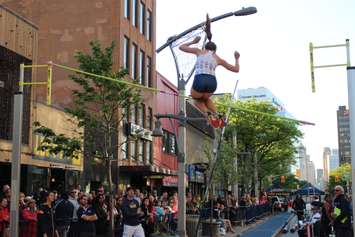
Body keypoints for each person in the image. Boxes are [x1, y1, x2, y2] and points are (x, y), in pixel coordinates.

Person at [179, 15, 240, 128]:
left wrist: (193, 41)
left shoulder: (199, 51)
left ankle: (207, 115)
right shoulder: (218, 58)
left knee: (197, 98)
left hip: (200, 79)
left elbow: (181, 47)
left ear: (206, 47)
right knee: (205, 98)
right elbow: (236, 70)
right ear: (215, 50)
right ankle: (217, 114)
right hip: (212, 82)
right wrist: (236, 58)